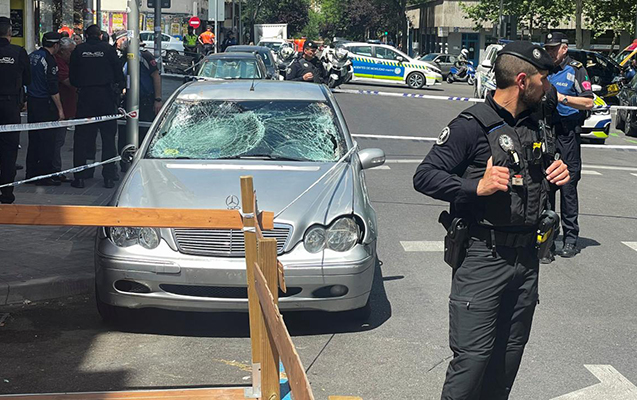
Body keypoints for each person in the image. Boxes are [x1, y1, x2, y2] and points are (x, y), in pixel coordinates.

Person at [413, 41, 570, 400]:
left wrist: (558, 172)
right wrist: (475, 187)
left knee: (507, 360)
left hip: (527, 259)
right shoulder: (471, 126)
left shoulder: (537, 123)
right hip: (483, 257)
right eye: (543, 79)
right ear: (522, 81)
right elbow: (424, 176)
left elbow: (539, 172)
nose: (547, 86)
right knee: (472, 361)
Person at [544, 32, 594, 258]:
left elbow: (588, 101)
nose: (550, 52)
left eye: (553, 48)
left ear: (564, 48)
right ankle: (547, 239)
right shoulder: (545, 69)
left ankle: (571, 239)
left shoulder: (576, 69)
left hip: (567, 134)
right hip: (547, 132)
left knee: (568, 187)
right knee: (546, 187)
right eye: (548, 48)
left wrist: (561, 98)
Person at [69, 24, 124, 189]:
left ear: (86, 36)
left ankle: (80, 177)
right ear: (100, 35)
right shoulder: (108, 50)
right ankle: (109, 176)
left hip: (85, 97)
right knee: (108, 138)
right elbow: (119, 74)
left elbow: (73, 78)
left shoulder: (79, 50)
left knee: (81, 137)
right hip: (106, 97)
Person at [112, 30, 162, 172]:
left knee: (144, 132)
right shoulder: (122, 57)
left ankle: (143, 162)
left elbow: (156, 76)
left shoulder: (144, 56)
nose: (119, 44)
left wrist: (158, 99)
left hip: (145, 100)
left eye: (121, 41)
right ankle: (125, 163)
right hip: (126, 101)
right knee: (124, 133)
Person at [26, 31, 64, 186]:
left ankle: (31, 173)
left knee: (34, 139)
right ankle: (45, 176)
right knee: (47, 141)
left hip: (32, 101)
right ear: (55, 45)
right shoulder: (49, 60)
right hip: (45, 103)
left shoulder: (32, 56)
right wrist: (60, 109)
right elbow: (52, 87)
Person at [0, 16, 31, 203]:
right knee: (10, 149)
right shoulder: (18, 52)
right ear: (10, 33)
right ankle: (6, 191)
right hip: (10, 105)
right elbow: (28, 79)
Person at [52, 37, 77, 183]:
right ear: (62, 51)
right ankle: (55, 170)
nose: (72, 55)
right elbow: (68, 82)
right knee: (57, 141)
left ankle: (55, 169)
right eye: (70, 52)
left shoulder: (66, 63)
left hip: (67, 107)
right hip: (60, 108)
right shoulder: (58, 63)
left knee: (59, 140)